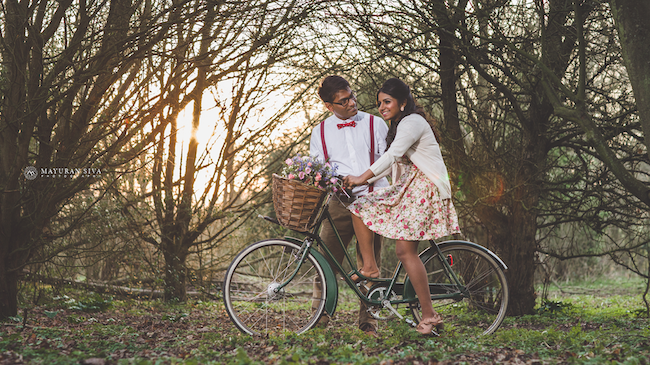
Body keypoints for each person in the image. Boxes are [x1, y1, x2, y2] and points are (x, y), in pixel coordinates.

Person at [343, 78, 461, 335]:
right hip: (411, 188)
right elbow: (391, 163)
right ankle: (370, 267)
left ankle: (429, 316)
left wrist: (361, 178)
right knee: (360, 205)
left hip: (424, 189)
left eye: (387, 102)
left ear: (403, 102)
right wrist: (360, 182)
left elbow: (392, 156)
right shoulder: (400, 124)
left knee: (405, 252)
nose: (382, 107)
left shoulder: (412, 122)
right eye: (379, 104)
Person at [310, 75, 389, 336]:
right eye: (344, 101)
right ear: (329, 106)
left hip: (373, 200)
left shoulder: (375, 124)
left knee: (370, 263)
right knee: (326, 260)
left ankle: (369, 323)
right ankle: (319, 318)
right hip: (339, 203)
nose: (352, 102)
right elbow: (319, 170)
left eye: (352, 96)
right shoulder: (319, 132)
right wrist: (334, 182)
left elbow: (389, 161)